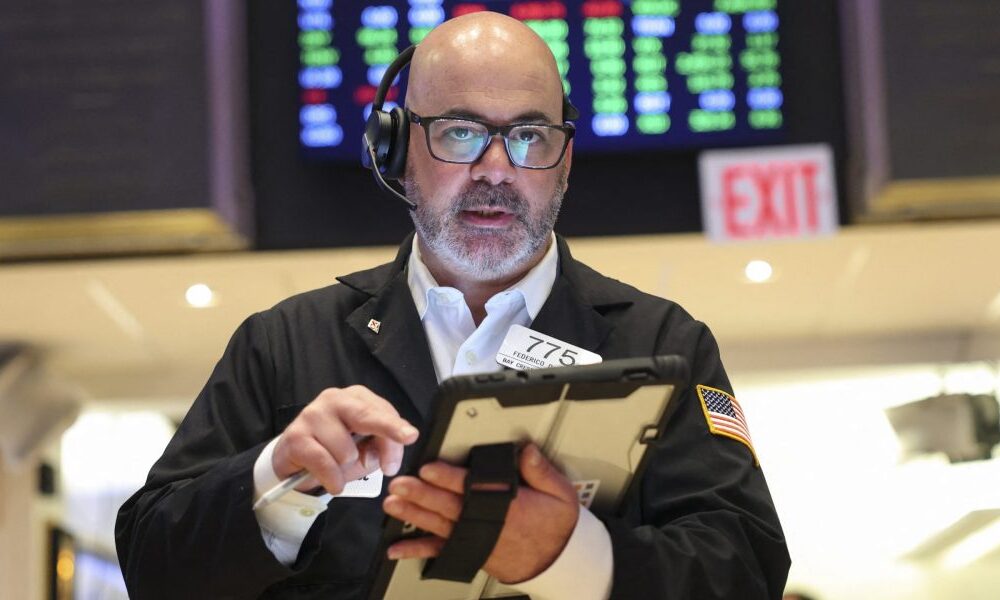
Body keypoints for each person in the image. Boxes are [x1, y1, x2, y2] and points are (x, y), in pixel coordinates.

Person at [116, 11, 789, 600]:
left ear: (565, 160)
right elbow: (152, 566)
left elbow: (748, 568)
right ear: (396, 146)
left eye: (531, 136)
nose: (496, 168)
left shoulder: (662, 342)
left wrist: (570, 556)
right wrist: (275, 480)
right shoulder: (285, 344)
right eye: (461, 132)